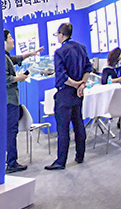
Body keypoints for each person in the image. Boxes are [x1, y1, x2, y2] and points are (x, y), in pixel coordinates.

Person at [45, 22, 91, 170]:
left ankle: (61, 161)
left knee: (63, 129)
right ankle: (80, 155)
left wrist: (76, 84)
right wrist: (82, 84)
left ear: (61, 34)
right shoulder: (81, 48)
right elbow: (88, 68)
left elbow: (62, 76)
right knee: (78, 124)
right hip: (78, 94)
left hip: (65, 94)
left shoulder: (60, 52)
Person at [5, 29, 43, 173]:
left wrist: (31, 53)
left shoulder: (6, 56)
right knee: (11, 131)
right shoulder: (2, 58)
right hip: (9, 100)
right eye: (10, 37)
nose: (12, 39)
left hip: (11, 100)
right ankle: (11, 162)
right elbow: (4, 78)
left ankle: (11, 161)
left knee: (11, 130)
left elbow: (17, 59)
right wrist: (18, 78)